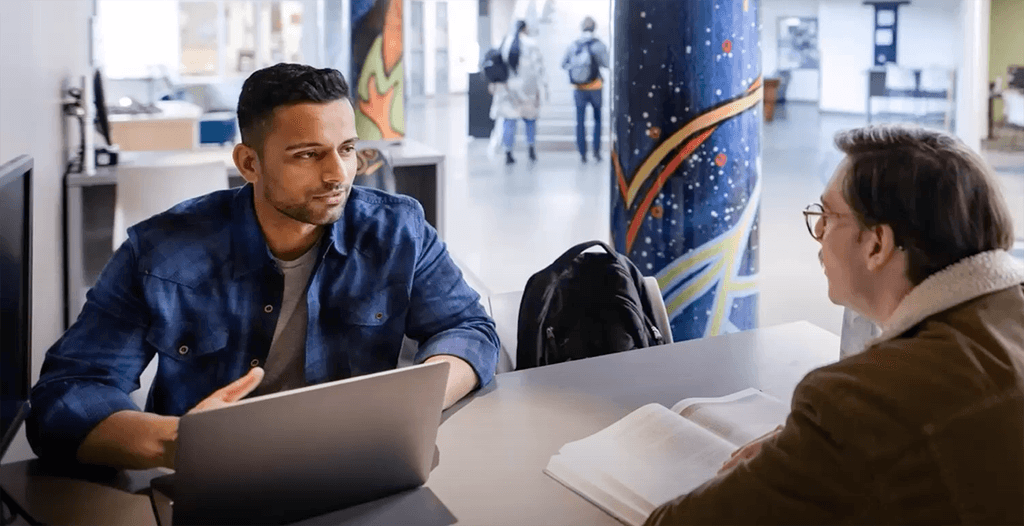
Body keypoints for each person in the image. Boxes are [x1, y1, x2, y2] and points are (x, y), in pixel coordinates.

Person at [27, 64, 500, 470]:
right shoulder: (159, 251)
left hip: (355, 467)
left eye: (347, 148)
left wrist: (410, 404)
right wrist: (176, 442)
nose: (338, 174)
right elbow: (65, 395)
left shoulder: (398, 229)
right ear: (249, 163)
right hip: (216, 478)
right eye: (308, 155)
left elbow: (470, 329)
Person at [646, 124, 1024, 524]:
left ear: (876, 245)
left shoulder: (858, 401)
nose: (819, 234)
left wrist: (832, 443)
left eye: (827, 215)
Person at [490, 20, 548, 165]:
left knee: (509, 121)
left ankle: (508, 152)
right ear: (525, 28)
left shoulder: (503, 43)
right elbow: (538, 69)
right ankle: (531, 150)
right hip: (527, 89)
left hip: (507, 89)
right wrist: (541, 90)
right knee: (530, 120)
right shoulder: (531, 44)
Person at [561, 16, 609, 163]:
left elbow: (564, 64)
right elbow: (607, 63)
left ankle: (582, 153)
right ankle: (596, 151)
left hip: (579, 88)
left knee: (580, 121)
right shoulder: (598, 45)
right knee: (597, 120)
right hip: (595, 87)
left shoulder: (573, 45)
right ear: (594, 28)